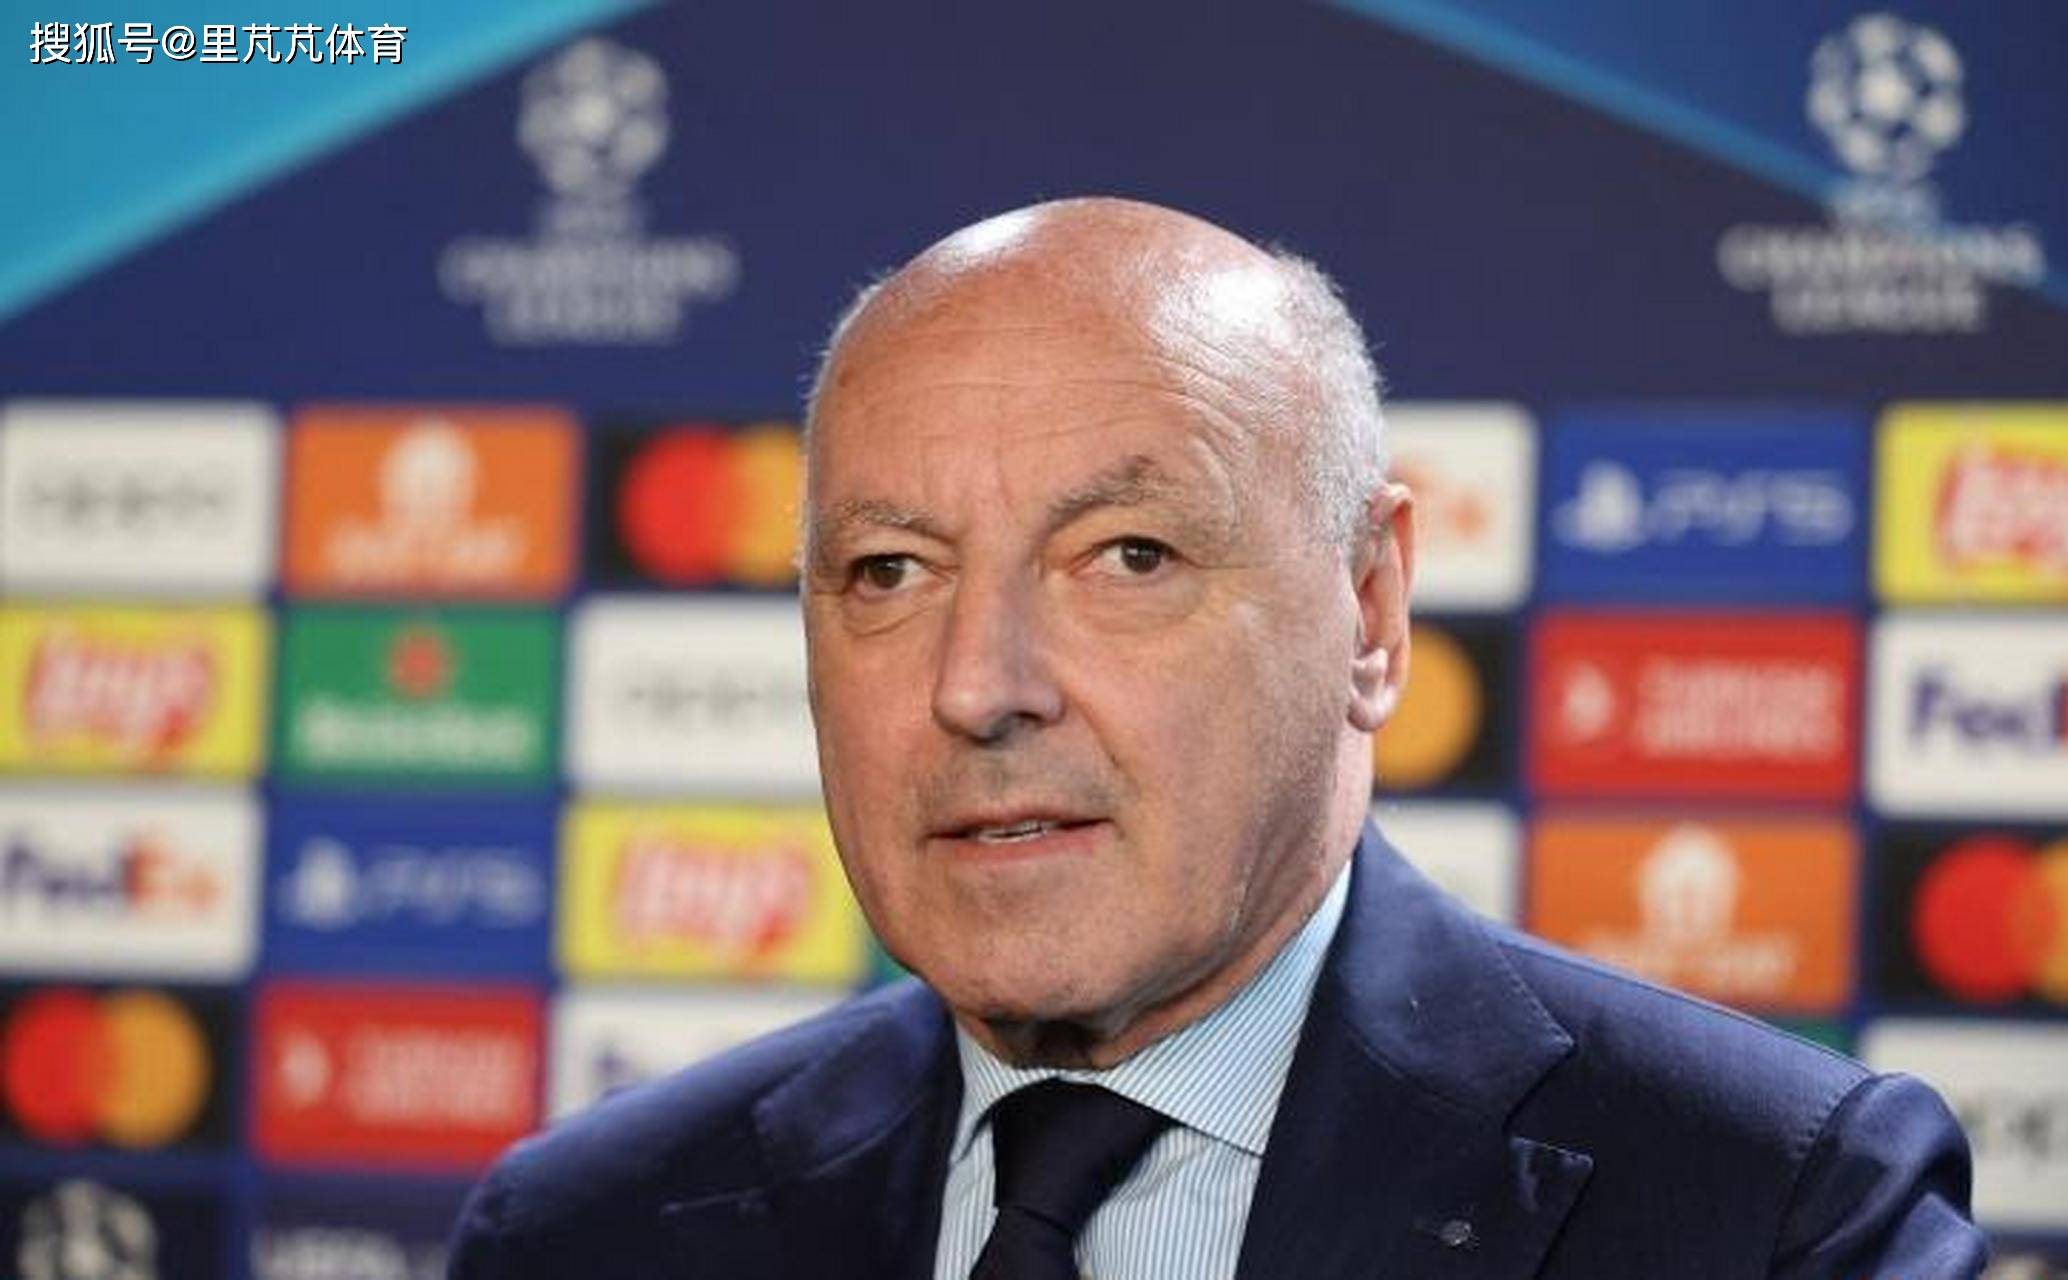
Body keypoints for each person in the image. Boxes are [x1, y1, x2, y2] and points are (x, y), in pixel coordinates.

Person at [448, 198, 1986, 1279]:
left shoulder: (1771, 1213)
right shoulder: (580, 1234)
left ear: (1368, 614)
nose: (979, 687)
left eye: (1127, 557)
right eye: (890, 572)